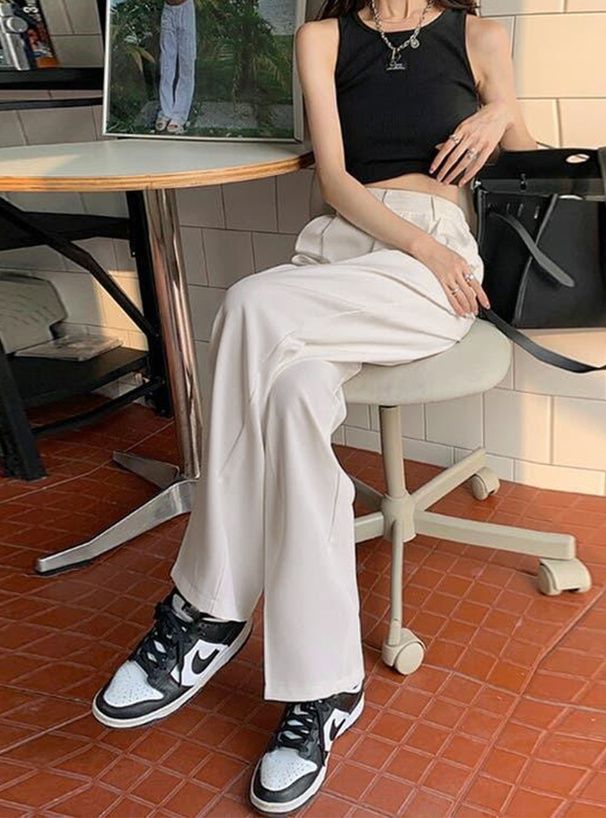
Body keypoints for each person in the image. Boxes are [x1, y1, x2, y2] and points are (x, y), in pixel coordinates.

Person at [94, 1, 537, 813]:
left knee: (247, 306)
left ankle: (208, 605)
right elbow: (333, 178)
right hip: (339, 253)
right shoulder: (323, 37)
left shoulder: (478, 36)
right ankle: (326, 688)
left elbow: (534, 167)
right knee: (294, 396)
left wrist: (503, 110)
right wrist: (412, 241)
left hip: (434, 269)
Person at [155, 0, 196, 135]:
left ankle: (179, 115)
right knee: (166, 64)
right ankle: (165, 112)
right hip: (168, 9)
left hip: (185, 8)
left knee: (187, 63)